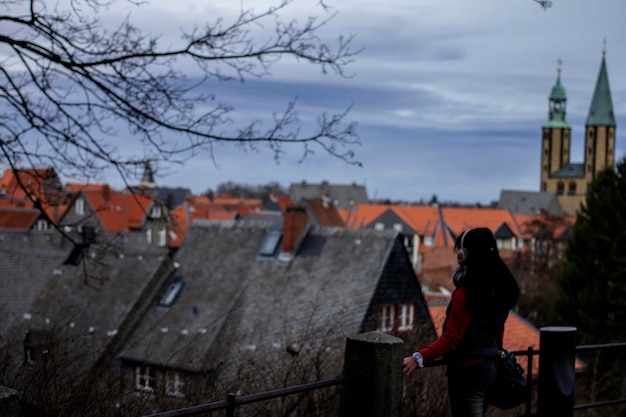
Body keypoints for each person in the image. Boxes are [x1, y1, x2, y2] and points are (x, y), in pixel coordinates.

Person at [403, 227, 519, 417]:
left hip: (467, 372)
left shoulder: (466, 294)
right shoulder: (500, 289)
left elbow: (451, 338)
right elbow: (498, 330)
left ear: (465, 254)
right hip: (489, 369)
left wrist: (418, 358)